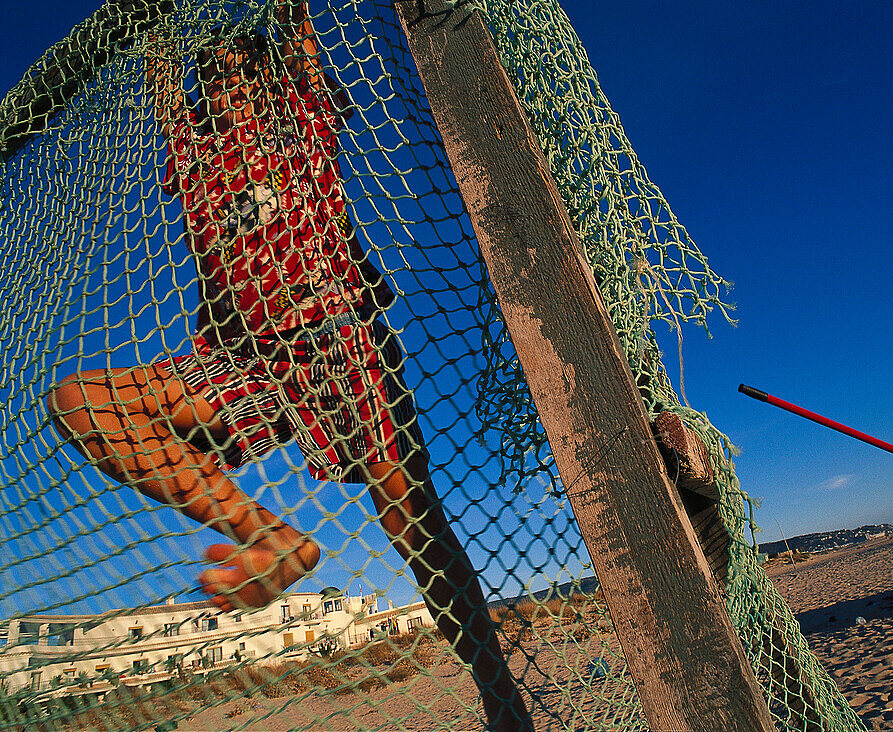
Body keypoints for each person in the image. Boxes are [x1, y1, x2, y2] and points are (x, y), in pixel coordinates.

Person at [45, 3, 531, 729]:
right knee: (80, 400)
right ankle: (265, 535)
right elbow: (163, 83)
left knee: (406, 512)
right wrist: (153, 34)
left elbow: (294, 26)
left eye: (238, 73)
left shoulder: (295, 120)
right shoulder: (198, 157)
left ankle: (499, 694)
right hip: (241, 359)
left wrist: (286, 29)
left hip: (334, 331)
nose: (223, 87)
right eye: (212, 80)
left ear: (267, 79)